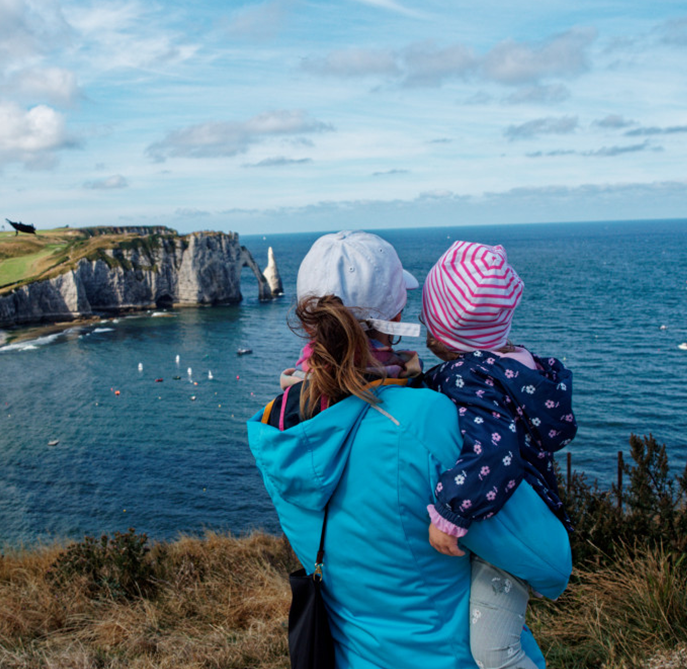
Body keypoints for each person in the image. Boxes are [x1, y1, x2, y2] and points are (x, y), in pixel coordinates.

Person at [247, 231, 571, 669]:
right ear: (397, 313)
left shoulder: (277, 423)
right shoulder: (426, 419)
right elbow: (550, 561)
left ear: (311, 322)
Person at [420, 240, 576, 669]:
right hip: (537, 512)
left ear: (440, 334)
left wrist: (451, 513)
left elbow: (494, 452)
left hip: (505, 522)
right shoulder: (516, 367)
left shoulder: (470, 380)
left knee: (495, 654)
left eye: (425, 317)